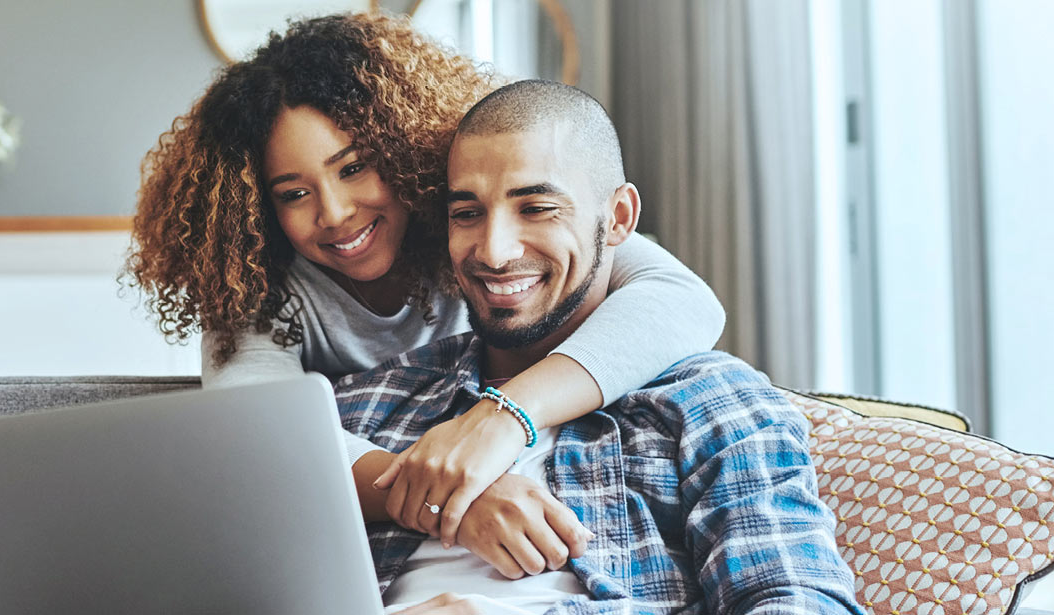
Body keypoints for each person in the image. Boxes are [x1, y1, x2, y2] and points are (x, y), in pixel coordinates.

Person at [124, 11, 727, 573]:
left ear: (404, 150)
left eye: (354, 167)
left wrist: (504, 417)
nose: (334, 212)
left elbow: (684, 300)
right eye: (293, 194)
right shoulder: (255, 288)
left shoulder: (478, 229)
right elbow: (253, 431)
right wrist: (450, 498)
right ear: (257, 207)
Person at [345, 79, 860, 615]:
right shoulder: (371, 401)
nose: (494, 253)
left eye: (537, 208)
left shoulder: (710, 402)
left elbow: (801, 602)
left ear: (618, 219)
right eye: (467, 214)